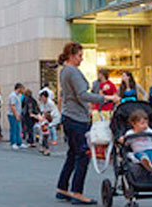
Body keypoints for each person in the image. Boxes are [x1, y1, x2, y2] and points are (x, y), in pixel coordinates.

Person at [56, 42, 119, 205]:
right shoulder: (73, 71)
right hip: (77, 118)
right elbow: (83, 94)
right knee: (82, 155)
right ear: (71, 55)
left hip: (69, 116)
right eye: (79, 55)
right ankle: (77, 192)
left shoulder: (64, 71)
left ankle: (62, 188)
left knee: (72, 153)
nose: (81, 59)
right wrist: (106, 98)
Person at [118, 109, 152, 175]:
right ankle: (147, 163)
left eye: (146, 123)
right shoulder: (130, 133)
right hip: (139, 151)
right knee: (142, 156)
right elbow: (126, 143)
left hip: (151, 150)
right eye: (142, 123)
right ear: (134, 124)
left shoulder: (148, 131)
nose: (145, 125)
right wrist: (122, 139)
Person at [7, 83, 25, 150]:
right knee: (14, 128)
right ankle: (13, 142)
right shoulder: (13, 96)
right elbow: (12, 106)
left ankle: (19, 142)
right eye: (22, 88)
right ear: (19, 88)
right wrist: (16, 115)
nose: (23, 90)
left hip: (17, 114)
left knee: (18, 128)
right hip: (12, 114)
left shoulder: (18, 95)